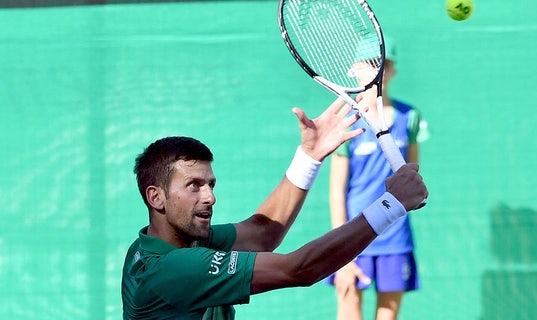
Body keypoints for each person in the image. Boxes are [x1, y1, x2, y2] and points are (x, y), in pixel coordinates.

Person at [121, 98, 428, 320]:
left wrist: (309, 157)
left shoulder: (168, 242)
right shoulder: (171, 268)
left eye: (210, 184)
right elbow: (299, 269)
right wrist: (390, 205)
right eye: (194, 186)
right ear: (156, 197)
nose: (210, 197)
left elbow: (262, 233)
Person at [326, 38, 430, 320]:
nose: (379, 70)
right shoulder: (348, 118)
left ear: (393, 69)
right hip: (353, 235)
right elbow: (337, 189)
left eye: (384, 63)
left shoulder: (410, 118)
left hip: (395, 236)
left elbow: (412, 176)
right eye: (371, 64)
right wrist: (341, 248)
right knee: (348, 310)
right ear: (355, 69)